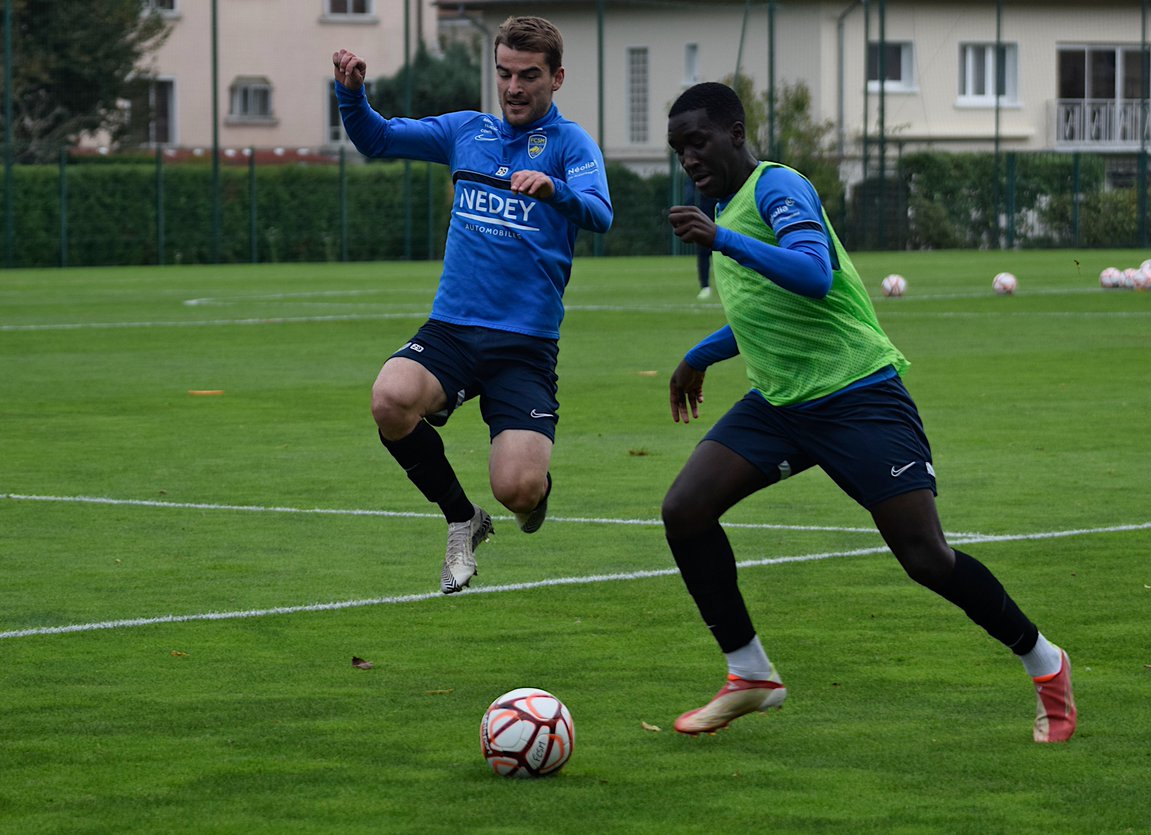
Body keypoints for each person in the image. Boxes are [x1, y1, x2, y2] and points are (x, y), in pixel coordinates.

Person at [662, 82, 1075, 742]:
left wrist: (723, 240)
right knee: (684, 509)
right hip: (779, 402)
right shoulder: (724, 206)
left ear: (737, 133)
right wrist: (701, 353)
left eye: (699, 142)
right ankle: (750, 673)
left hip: (858, 395)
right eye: (679, 149)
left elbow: (812, 274)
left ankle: (1045, 661)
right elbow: (766, 313)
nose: (689, 159)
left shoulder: (777, 188)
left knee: (926, 558)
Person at [331, 17, 612, 594]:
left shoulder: (570, 144)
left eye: (529, 75)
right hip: (454, 330)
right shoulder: (467, 131)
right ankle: (463, 519)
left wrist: (555, 190)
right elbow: (377, 139)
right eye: (505, 73)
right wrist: (351, 93)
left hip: (525, 346)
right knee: (389, 397)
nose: (513, 87)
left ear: (556, 78)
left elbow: (600, 213)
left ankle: (529, 494)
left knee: (518, 489)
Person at [683, 178, 719, 300]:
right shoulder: (696, 178)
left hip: (718, 217)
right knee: (703, 253)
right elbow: (689, 196)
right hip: (703, 217)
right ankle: (705, 286)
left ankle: (729, 284)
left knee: (726, 252)